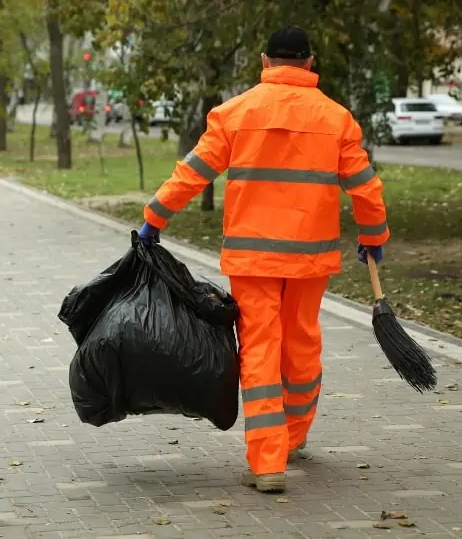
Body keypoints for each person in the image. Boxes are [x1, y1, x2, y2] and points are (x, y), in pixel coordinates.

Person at [136, 26, 390, 493]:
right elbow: (365, 186)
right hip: (311, 260)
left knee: (259, 350)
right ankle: (293, 436)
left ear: (265, 60)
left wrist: (155, 218)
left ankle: (268, 461)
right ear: (310, 64)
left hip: (252, 259)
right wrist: (373, 235)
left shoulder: (235, 112)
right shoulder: (337, 119)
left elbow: (193, 172)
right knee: (302, 344)